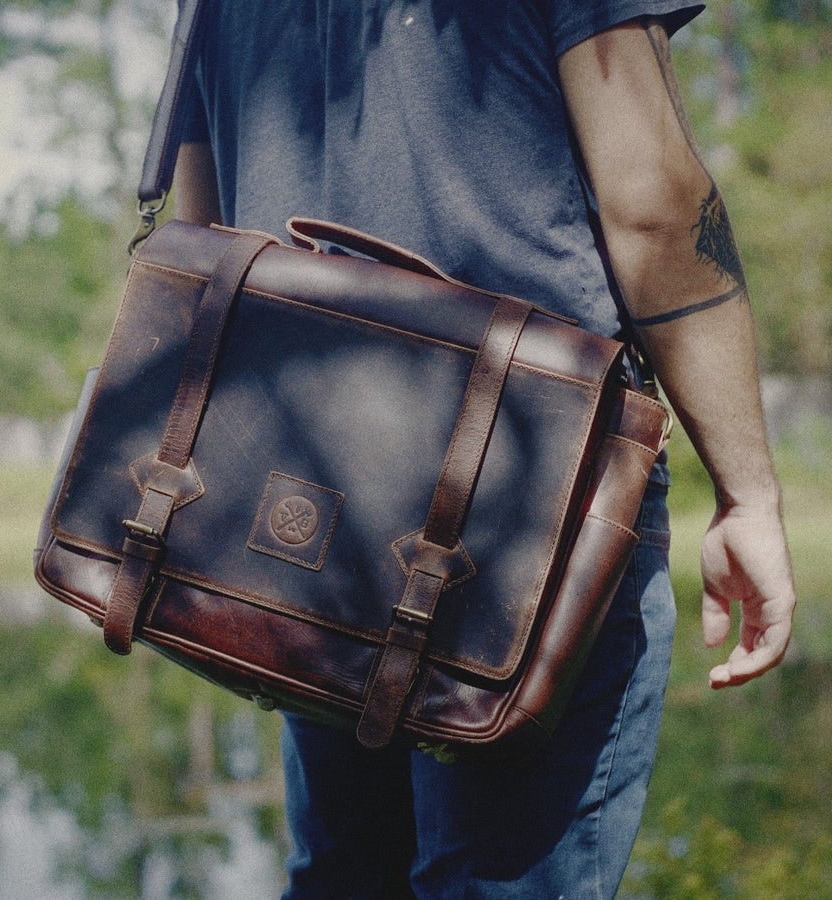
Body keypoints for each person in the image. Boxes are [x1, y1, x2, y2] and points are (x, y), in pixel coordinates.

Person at [174, 2, 796, 896]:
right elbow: (653, 202)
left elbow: (201, 234)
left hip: (310, 497)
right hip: (535, 492)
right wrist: (748, 496)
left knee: (346, 876)